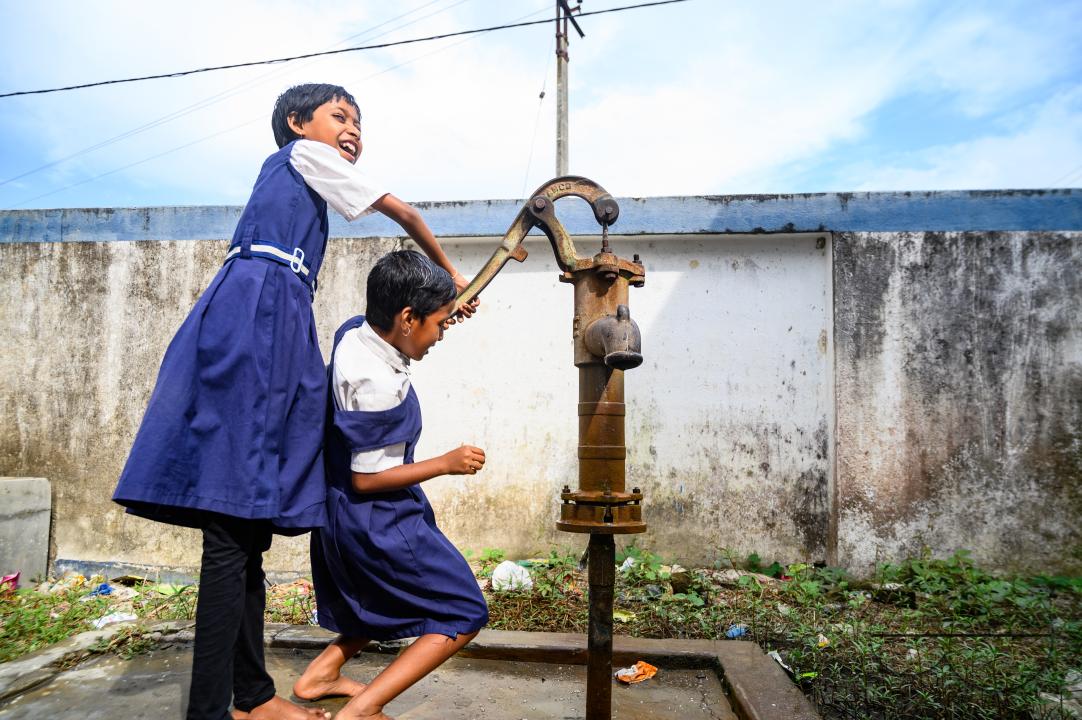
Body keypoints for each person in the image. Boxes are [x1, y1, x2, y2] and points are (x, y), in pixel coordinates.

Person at [112, 83, 473, 720]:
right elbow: (407, 216)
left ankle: (251, 698)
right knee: (232, 525)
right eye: (340, 116)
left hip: (279, 322)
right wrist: (453, 275)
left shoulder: (309, 200)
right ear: (297, 123)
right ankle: (211, 711)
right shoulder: (301, 156)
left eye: (360, 119)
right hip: (255, 320)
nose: (353, 129)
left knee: (247, 526)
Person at [291, 250, 488, 720]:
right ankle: (363, 709)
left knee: (378, 596)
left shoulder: (354, 334)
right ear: (406, 318)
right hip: (377, 516)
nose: (442, 334)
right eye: (439, 324)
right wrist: (445, 463)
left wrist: (446, 305)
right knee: (463, 611)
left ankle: (321, 675)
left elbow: (401, 318)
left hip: (340, 511)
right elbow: (368, 477)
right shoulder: (374, 381)